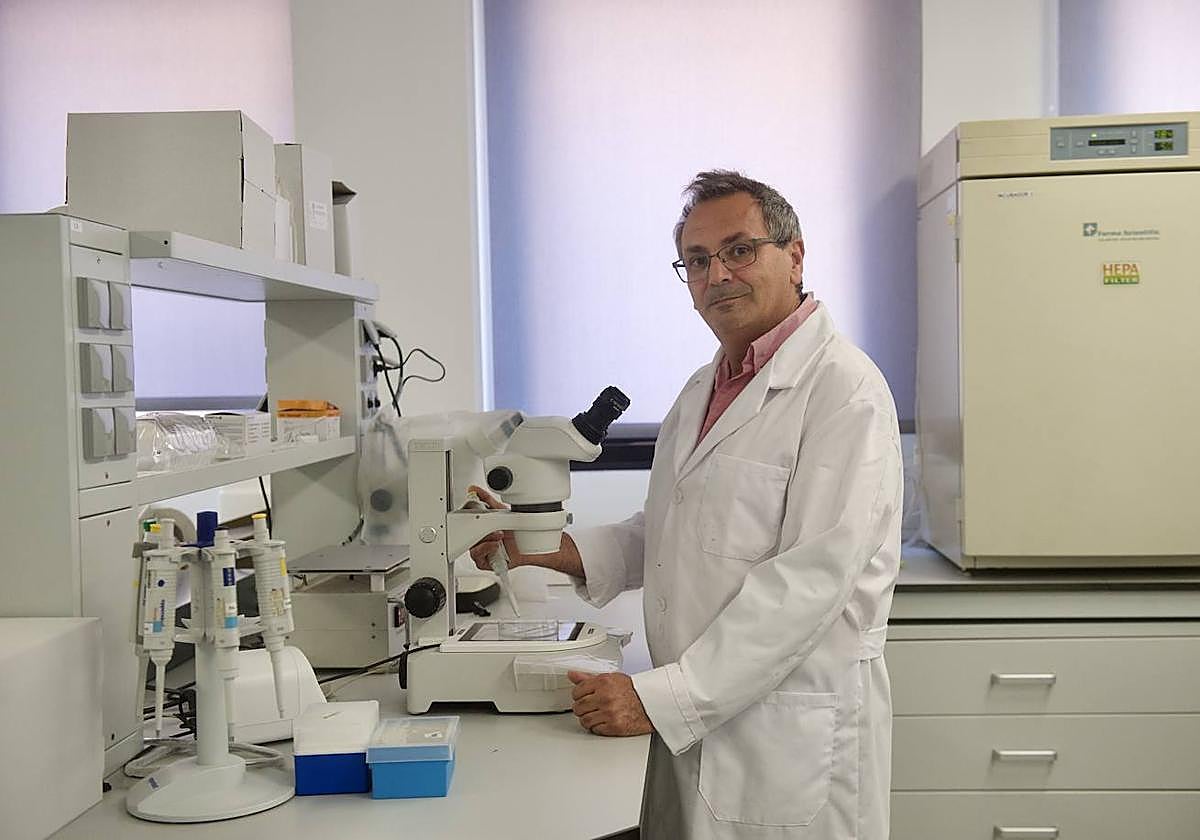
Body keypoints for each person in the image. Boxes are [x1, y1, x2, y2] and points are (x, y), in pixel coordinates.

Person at [471, 170, 902, 839]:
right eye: (697, 260)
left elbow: (807, 586)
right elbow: (674, 527)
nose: (717, 274)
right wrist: (565, 550)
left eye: (738, 250)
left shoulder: (844, 392)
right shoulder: (706, 386)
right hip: (703, 715)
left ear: (794, 256)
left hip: (781, 733)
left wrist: (658, 699)